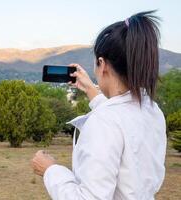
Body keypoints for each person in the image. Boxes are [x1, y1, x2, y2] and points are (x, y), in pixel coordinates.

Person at [31, 10, 167, 200]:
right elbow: (123, 117)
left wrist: (51, 170)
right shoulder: (152, 110)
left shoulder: (104, 122)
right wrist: (90, 89)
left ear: (102, 64)